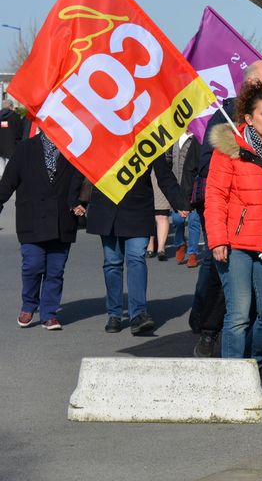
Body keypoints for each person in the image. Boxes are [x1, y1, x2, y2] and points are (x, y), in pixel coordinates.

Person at [191, 60, 262, 357]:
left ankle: (253, 361)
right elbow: (215, 193)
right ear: (250, 117)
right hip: (237, 240)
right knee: (239, 313)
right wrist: (217, 239)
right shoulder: (230, 142)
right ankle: (232, 375)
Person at [87, 154, 189, 335]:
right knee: (112, 263)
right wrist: (76, 200)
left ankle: (138, 314)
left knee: (136, 258)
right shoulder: (104, 131)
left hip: (138, 208)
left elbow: (164, 174)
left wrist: (179, 202)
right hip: (107, 207)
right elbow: (86, 166)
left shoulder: (146, 134)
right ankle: (114, 314)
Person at [0, 131, 85, 330]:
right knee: (32, 265)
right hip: (31, 218)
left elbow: (82, 181)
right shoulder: (25, 148)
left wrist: (81, 203)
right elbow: (8, 182)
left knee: (55, 271)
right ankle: (29, 305)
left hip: (62, 219)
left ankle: (49, 313)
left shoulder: (74, 148)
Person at [170, 131, 200, 267]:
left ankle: (193, 253)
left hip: (193, 186)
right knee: (177, 220)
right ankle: (180, 243)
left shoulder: (197, 137)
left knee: (194, 221)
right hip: (176, 186)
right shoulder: (175, 136)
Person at [0, 99, 24, 177]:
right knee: (10, 164)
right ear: (10, 106)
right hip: (11, 144)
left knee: (1, 163)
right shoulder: (15, 116)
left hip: (1, 144)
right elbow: (20, 130)